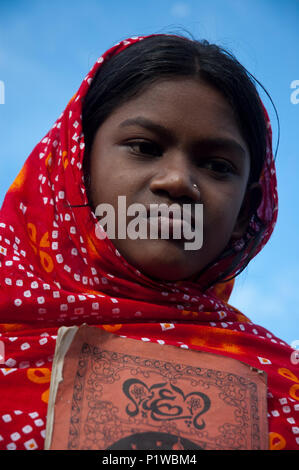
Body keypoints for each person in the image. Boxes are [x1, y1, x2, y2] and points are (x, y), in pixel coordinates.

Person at [0, 34, 298, 451]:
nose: (177, 181)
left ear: (245, 213)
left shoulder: (286, 389)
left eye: (217, 165)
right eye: (144, 147)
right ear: (75, 165)